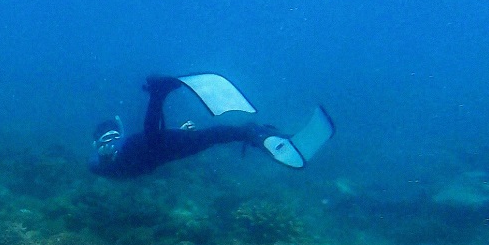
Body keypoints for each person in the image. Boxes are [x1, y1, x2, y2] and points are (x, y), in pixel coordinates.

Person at [89, 73, 334, 179]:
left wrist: (181, 133)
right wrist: (103, 158)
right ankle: (253, 133)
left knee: (210, 135)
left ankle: (259, 135)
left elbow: (148, 141)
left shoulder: (125, 144)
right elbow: (94, 166)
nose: (110, 141)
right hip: (156, 155)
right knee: (207, 137)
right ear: (96, 143)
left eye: (113, 136)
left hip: (154, 150)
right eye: (105, 139)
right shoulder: (102, 160)